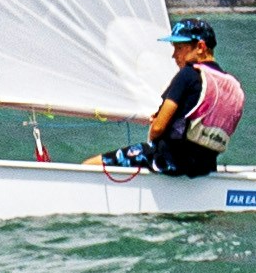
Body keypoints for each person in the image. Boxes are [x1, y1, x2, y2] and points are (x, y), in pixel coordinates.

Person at [104, 18, 244, 176]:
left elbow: (158, 127)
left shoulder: (189, 74)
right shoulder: (233, 86)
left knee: (92, 165)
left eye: (179, 48)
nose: (174, 55)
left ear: (200, 47)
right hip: (204, 167)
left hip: (169, 162)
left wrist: (155, 133)